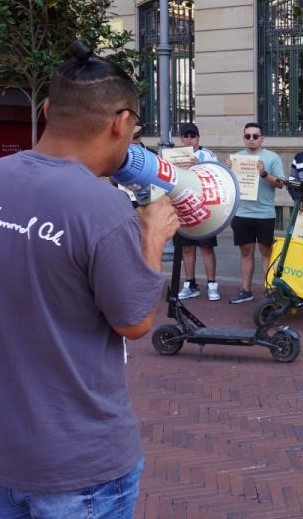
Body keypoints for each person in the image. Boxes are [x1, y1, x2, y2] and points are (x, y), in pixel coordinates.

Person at [0, 44, 179, 517]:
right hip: (78, 465)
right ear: (120, 122)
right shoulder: (100, 207)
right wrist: (153, 238)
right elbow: (136, 321)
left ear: (46, 110)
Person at [226, 122, 286, 303]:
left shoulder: (272, 157)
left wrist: (264, 174)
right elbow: (227, 185)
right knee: (245, 252)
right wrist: (227, 170)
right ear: (243, 138)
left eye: (255, 136)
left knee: (266, 252)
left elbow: (281, 183)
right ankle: (246, 290)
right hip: (242, 213)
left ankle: (269, 290)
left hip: (265, 214)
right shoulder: (236, 158)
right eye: (247, 136)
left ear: (262, 138)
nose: (251, 140)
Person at [173, 122, 222, 301]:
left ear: (198, 138)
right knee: (187, 249)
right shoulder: (175, 155)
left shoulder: (207, 154)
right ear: (181, 138)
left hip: (204, 209)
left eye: (192, 136)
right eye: (186, 136)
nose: (189, 139)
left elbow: (216, 176)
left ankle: (212, 284)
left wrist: (199, 165)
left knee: (206, 248)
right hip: (183, 208)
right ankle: (190, 283)